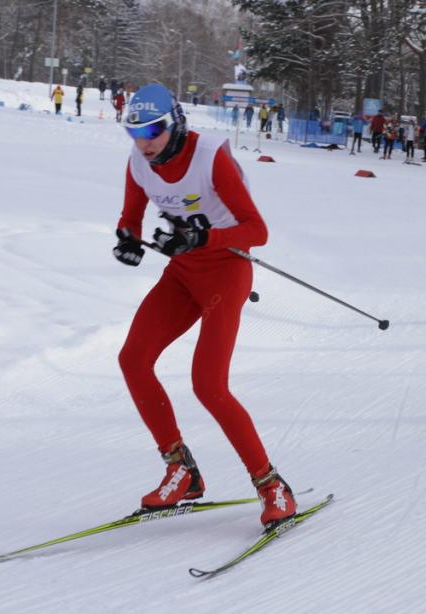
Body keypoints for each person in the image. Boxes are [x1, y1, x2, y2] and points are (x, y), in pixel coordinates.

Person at [111, 83, 298, 527]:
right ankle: (181, 470)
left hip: (226, 271)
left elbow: (257, 230)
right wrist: (127, 240)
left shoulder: (208, 155)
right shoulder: (139, 161)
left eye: (153, 130)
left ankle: (272, 484)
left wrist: (204, 237)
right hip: (182, 273)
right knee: (133, 360)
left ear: (174, 122)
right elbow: (130, 217)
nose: (144, 141)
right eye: (133, 131)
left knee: (208, 384)